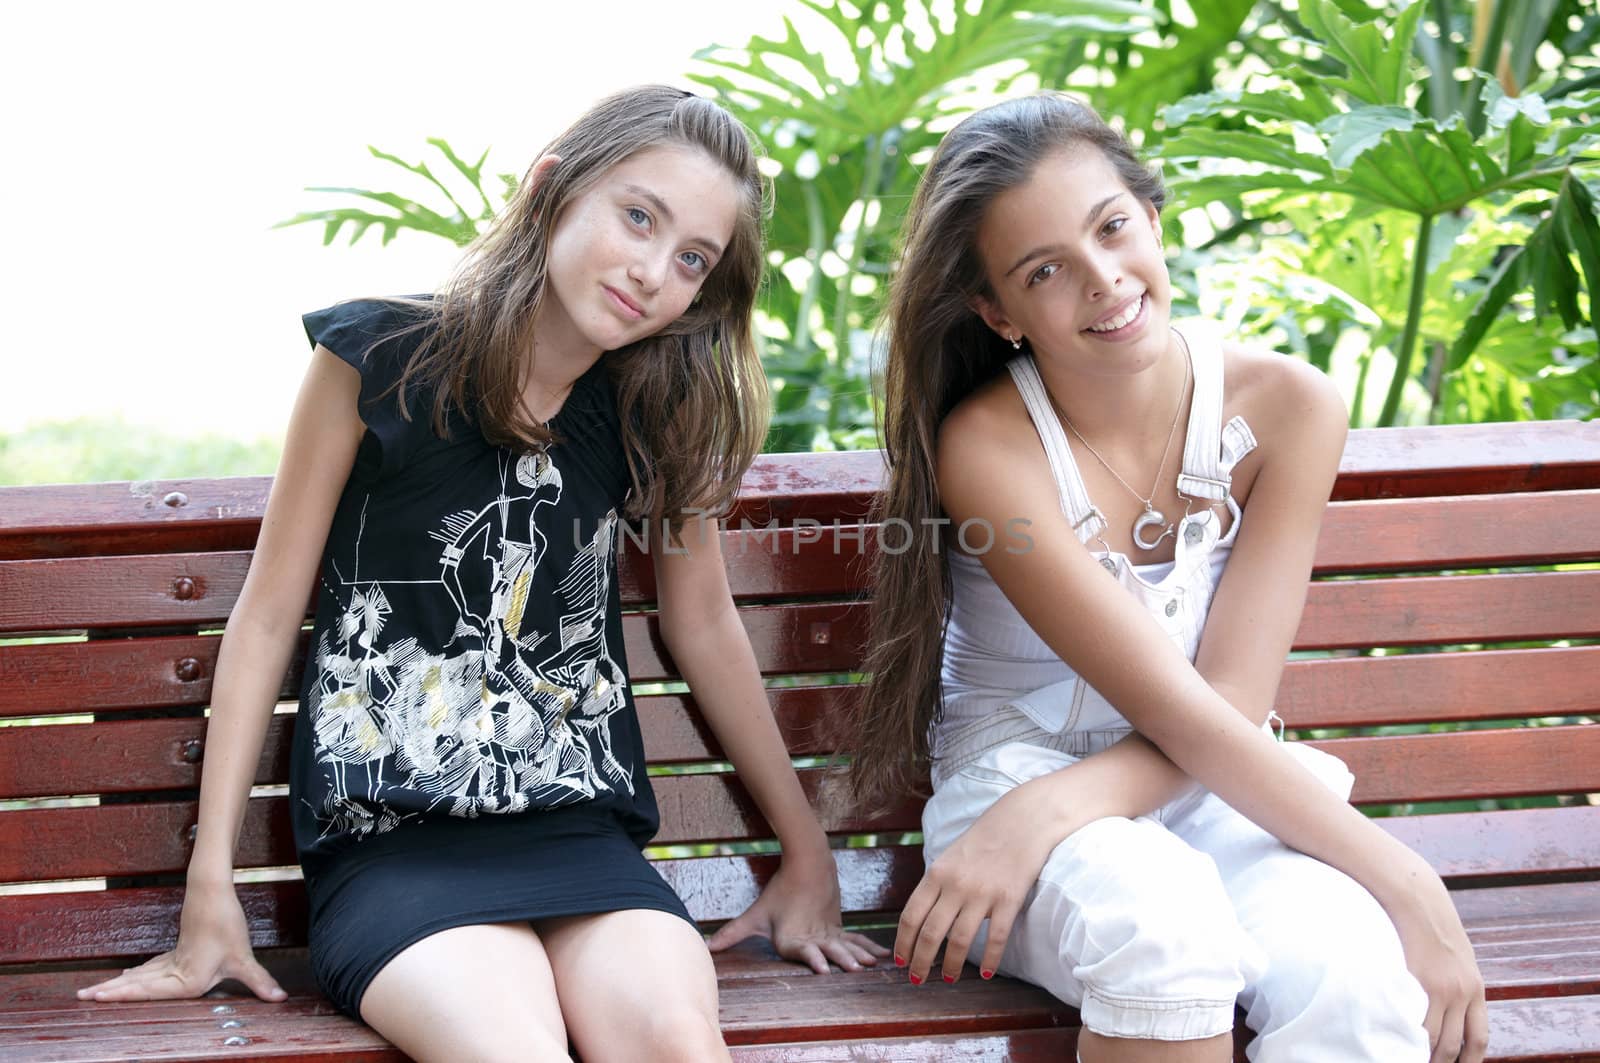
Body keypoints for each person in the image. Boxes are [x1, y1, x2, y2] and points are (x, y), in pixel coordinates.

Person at [78, 85, 887, 1062]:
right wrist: (213, 891)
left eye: (690, 260)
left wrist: (805, 854)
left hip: (580, 841)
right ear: (552, 190)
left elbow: (705, 624)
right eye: (638, 216)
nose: (651, 271)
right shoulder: (379, 362)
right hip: (394, 848)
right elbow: (265, 616)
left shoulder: (650, 411)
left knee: (678, 1042)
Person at [851, 93, 1487, 1063]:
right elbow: (1183, 712)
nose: (1103, 280)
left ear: (1151, 216)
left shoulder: (1289, 406)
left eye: (1111, 229)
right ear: (998, 313)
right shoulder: (989, 444)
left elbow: (1228, 704)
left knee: (1357, 976)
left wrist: (1406, 901)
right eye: (1044, 271)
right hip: (1014, 794)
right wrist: (1408, 877)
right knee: (1164, 936)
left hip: (1204, 791)